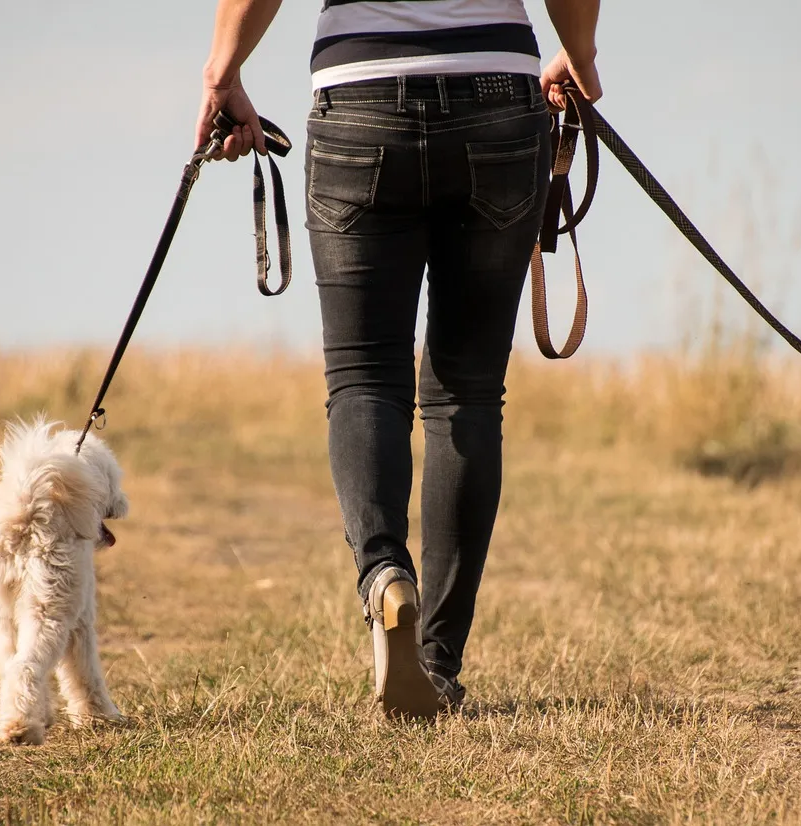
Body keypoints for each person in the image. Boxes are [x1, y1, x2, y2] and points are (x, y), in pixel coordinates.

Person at [195, 0, 602, 719]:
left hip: (361, 95)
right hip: (498, 98)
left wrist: (223, 69)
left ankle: (385, 574)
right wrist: (581, 50)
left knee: (364, 377)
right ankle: (438, 664)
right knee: (467, 394)